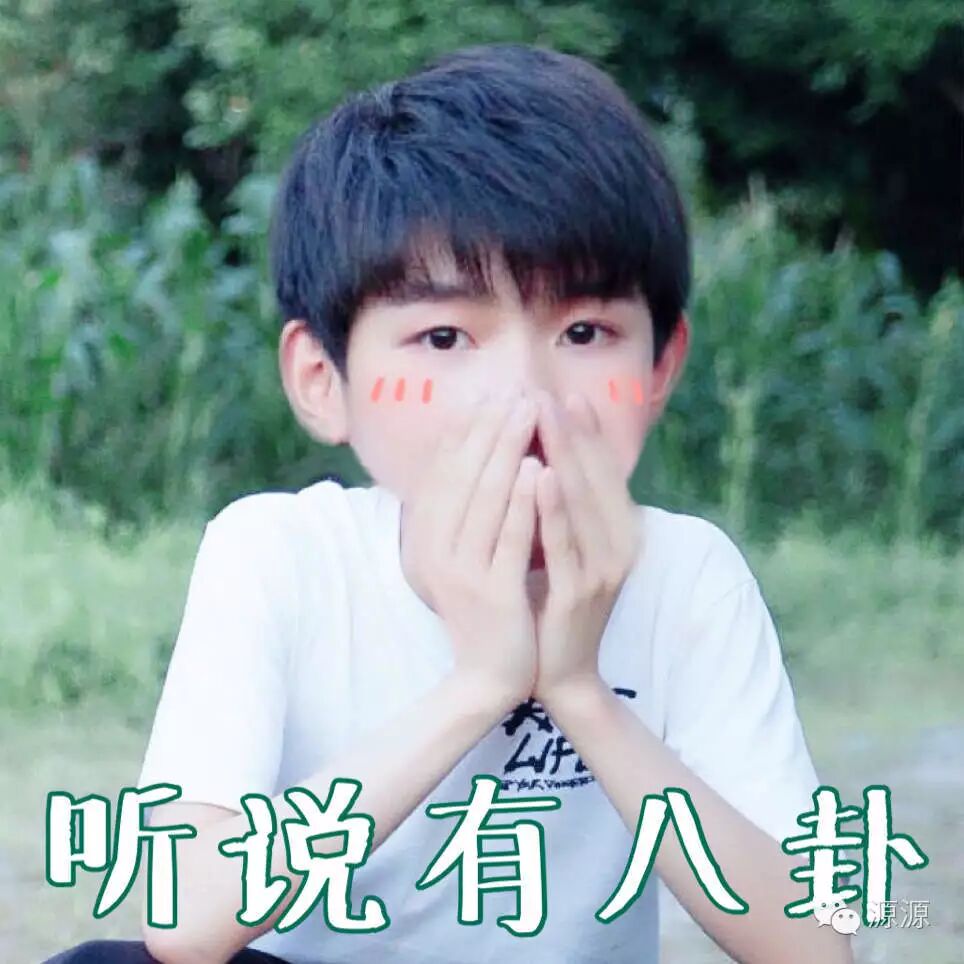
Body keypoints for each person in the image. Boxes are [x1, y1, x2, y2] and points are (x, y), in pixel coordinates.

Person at [48, 43, 853, 964]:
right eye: (442, 338)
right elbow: (187, 918)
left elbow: (817, 943)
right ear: (324, 381)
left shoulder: (684, 578)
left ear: (659, 368)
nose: (526, 397)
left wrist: (580, 693)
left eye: (585, 331)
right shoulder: (280, 554)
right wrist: (480, 686)